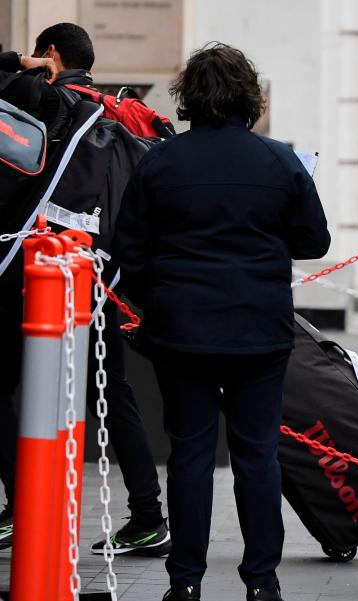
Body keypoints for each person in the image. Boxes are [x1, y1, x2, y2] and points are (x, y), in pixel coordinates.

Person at [113, 43, 331, 601]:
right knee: (257, 455)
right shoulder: (279, 160)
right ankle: (262, 582)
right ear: (247, 96)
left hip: (181, 329)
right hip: (259, 329)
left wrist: (157, 300)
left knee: (189, 454)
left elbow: (128, 252)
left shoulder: (160, 161)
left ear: (190, 97)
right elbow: (314, 240)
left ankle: (185, 582)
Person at [0, 23, 171, 556]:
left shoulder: (46, 99)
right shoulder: (117, 110)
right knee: (112, 391)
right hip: (99, 273)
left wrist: (18, 64)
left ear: (50, 54)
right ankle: (147, 514)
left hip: (37, 270)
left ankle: (22, 505)